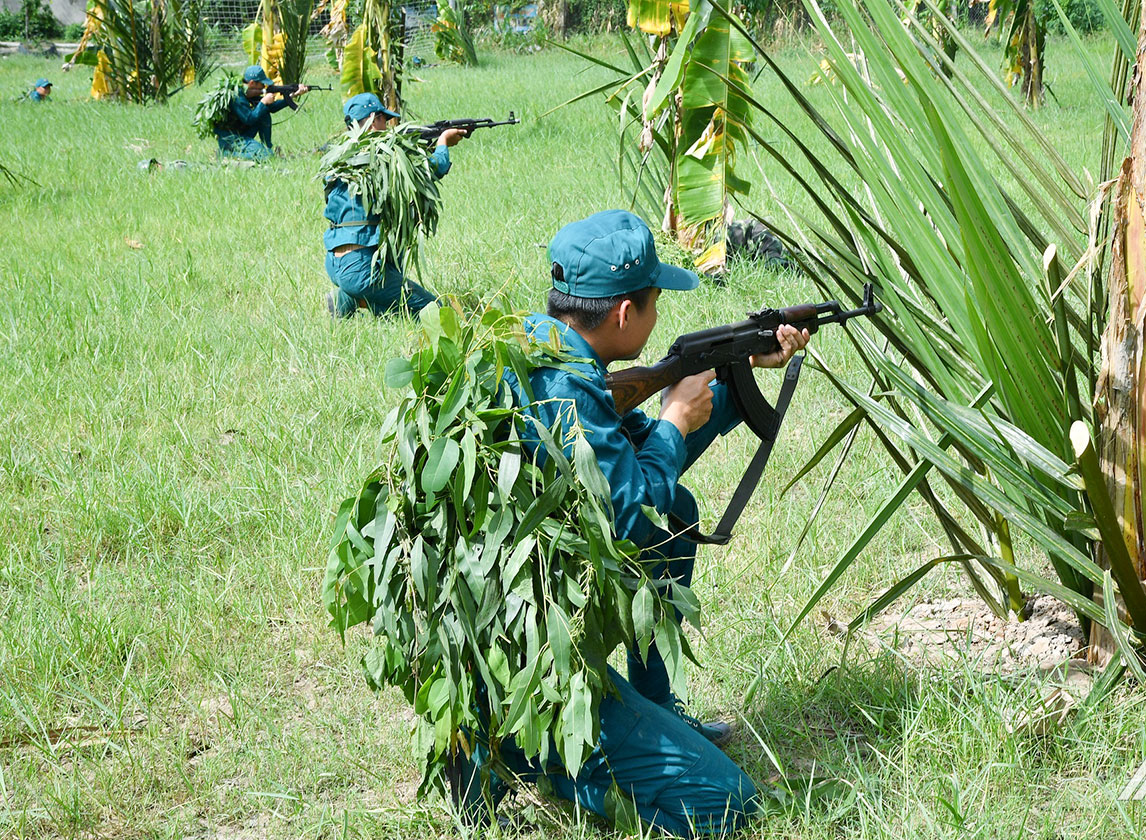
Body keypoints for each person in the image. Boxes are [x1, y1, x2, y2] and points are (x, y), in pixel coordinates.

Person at [451, 209, 810, 837]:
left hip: (510, 633)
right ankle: (532, 752)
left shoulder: (542, 352)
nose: (656, 313)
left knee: (676, 511)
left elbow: (642, 466)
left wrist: (737, 374)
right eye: (653, 301)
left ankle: (644, 705)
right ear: (623, 315)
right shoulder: (563, 391)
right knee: (727, 804)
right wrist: (674, 419)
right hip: (528, 666)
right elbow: (625, 515)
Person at [322, 92, 466, 318]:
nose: (388, 126)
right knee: (435, 313)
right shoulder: (385, 154)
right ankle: (357, 294)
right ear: (373, 119)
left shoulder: (338, 159)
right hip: (362, 268)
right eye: (384, 120)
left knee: (383, 297)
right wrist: (443, 142)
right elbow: (435, 167)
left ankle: (344, 299)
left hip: (335, 263)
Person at [214, 66, 308, 161]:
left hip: (242, 133)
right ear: (252, 83)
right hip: (232, 139)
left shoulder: (249, 92)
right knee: (265, 156)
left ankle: (267, 147)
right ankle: (226, 154)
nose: (264, 87)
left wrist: (293, 95)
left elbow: (272, 107)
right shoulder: (236, 96)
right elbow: (249, 119)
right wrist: (263, 102)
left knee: (264, 112)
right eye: (262, 84)